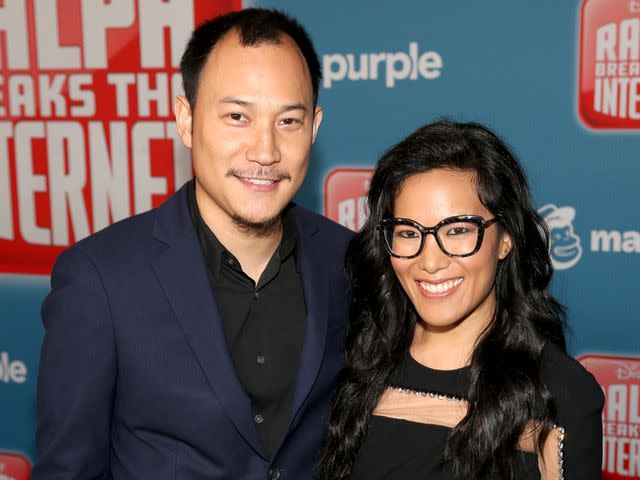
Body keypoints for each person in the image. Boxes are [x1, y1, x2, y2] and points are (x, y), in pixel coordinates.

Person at [33, 8, 352, 480]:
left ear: (314, 128)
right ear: (186, 119)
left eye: (288, 121)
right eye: (237, 116)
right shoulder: (100, 279)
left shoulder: (347, 260)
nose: (264, 151)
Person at [320, 120, 604, 479]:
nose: (431, 261)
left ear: (506, 238)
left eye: (457, 230)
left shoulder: (561, 393)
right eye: (408, 232)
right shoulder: (354, 365)